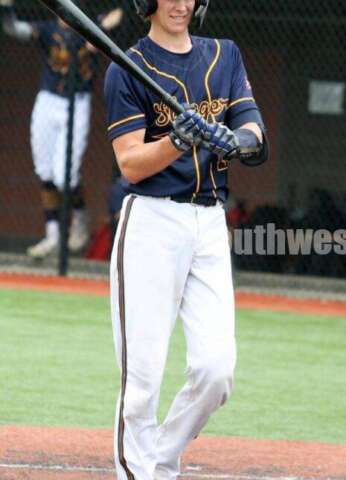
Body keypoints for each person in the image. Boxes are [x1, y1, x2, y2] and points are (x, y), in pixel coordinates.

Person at [104, 0, 268, 478]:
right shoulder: (128, 68)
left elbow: (255, 129)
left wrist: (232, 141)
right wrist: (176, 140)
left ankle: (161, 456)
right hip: (152, 222)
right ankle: (138, 472)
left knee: (217, 371)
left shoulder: (225, 54)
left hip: (210, 223)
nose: (180, 3)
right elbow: (130, 164)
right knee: (142, 377)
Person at [0, 0, 123, 257]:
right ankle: (53, 234)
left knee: (64, 175)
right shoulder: (46, 29)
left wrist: (98, 30)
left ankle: (79, 218)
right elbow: (14, 29)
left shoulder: (89, 27)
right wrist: (6, 8)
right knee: (44, 169)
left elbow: (119, 13)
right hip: (48, 100)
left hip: (77, 101)